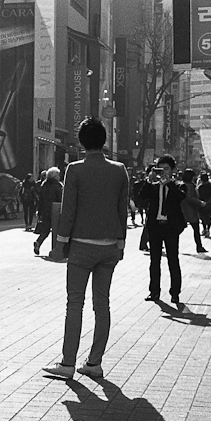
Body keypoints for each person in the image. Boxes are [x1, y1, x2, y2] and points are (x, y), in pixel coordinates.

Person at [43, 117, 128, 380]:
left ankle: (68, 363)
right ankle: (94, 362)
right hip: (110, 245)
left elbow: (68, 211)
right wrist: (121, 243)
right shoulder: (119, 170)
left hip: (81, 246)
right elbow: (122, 209)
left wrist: (60, 245)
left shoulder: (75, 170)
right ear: (104, 140)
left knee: (74, 304)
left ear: (81, 141)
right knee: (102, 304)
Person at [140, 155, 187, 304]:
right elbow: (141, 197)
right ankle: (154, 292)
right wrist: (149, 180)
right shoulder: (153, 185)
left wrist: (169, 184)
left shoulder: (178, 185)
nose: (163, 172)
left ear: (173, 170)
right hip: (155, 226)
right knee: (154, 260)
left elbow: (181, 197)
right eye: (160, 169)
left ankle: (175, 293)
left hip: (171, 227)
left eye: (166, 169)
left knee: (173, 260)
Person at [33, 167, 63, 255]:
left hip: (45, 210)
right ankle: (56, 249)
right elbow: (60, 198)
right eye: (58, 175)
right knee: (57, 231)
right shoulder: (58, 185)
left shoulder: (44, 185)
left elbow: (40, 200)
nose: (59, 176)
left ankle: (38, 242)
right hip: (55, 210)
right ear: (55, 176)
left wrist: (39, 211)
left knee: (45, 230)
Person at [180, 169, 207, 253]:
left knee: (180, 228)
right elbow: (190, 197)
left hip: (183, 209)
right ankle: (199, 246)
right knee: (196, 229)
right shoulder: (190, 186)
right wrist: (199, 202)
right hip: (190, 210)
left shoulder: (182, 184)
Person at [197, 172, 211, 237]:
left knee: (203, 217)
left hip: (202, 203)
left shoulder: (200, 187)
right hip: (209, 203)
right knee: (208, 216)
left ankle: (205, 230)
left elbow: (199, 195)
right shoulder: (209, 185)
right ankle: (208, 229)